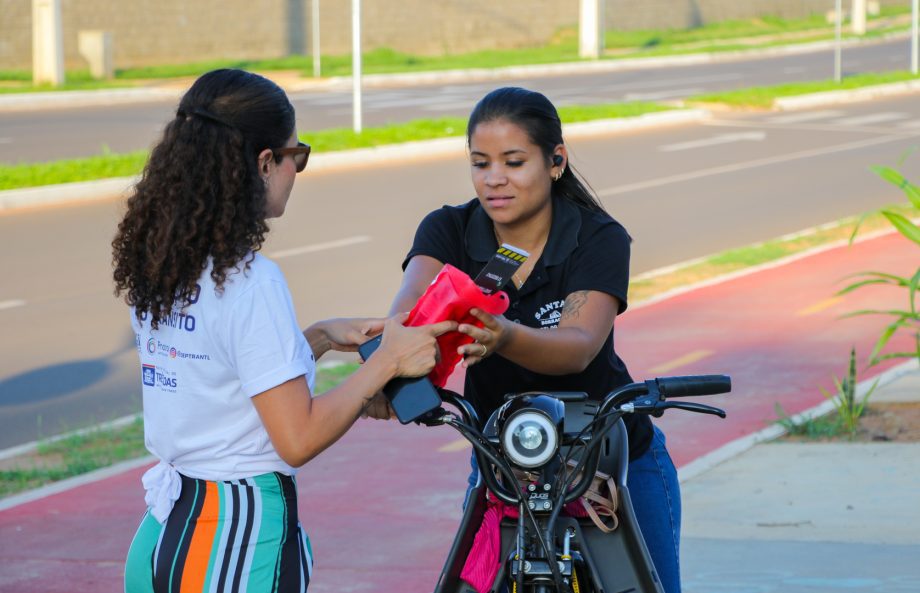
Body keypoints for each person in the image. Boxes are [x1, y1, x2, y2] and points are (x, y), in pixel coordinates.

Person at [112, 68, 454, 593]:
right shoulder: (251, 281)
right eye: (298, 155)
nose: (298, 169)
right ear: (264, 162)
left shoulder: (163, 261)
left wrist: (314, 338)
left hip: (165, 525)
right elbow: (298, 438)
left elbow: (218, 380)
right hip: (232, 536)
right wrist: (388, 361)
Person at [389, 87, 683, 593]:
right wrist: (390, 346)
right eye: (480, 163)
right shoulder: (448, 230)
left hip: (614, 463)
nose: (494, 178)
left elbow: (579, 345)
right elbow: (410, 313)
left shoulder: (597, 236)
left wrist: (502, 336)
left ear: (556, 162)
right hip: (505, 468)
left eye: (514, 161)